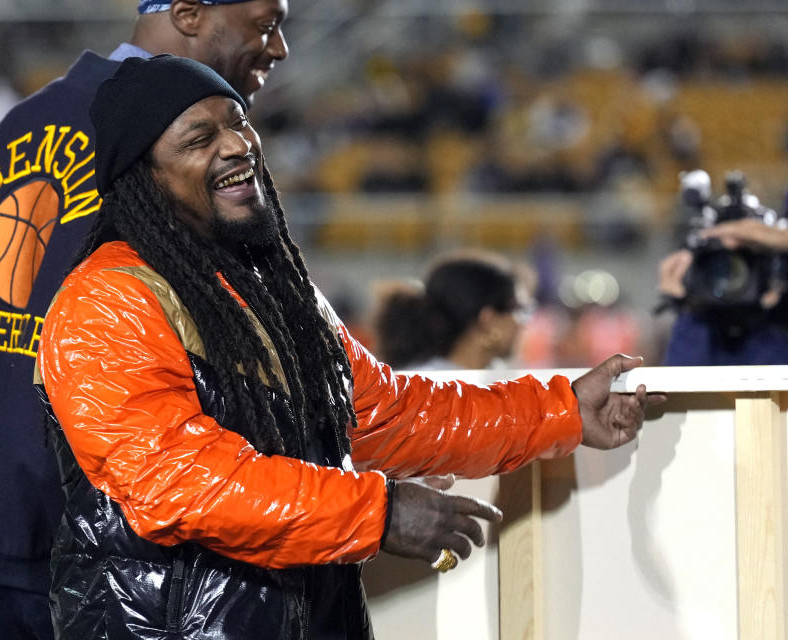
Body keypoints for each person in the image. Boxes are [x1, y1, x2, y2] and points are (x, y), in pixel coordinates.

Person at [35, 55, 660, 639]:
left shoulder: (268, 282)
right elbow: (181, 483)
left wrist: (563, 410)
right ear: (142, 175)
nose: (237, 146)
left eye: (239, 122)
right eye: (200, 139)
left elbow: (385, 415)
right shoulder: (106, 300)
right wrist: (378, 512)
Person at [0, 2, 289, 638]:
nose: (278, 49)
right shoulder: (163, 146)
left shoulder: (28, 118)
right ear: (188, 14)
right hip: (104, 553)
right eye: (265, 24)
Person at [371, 250, 533, 370]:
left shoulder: (495, 382)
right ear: (488, 319)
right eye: (520, 310)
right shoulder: (424, 390)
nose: (524, 323)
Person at [658, 217, 788, 365]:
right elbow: (683, 383)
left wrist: (780, 239)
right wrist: (687, 303)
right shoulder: (696, 324)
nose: (727, 277)